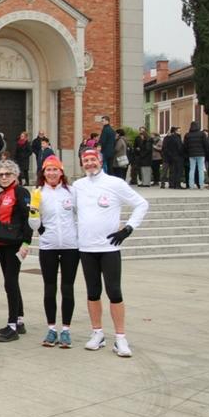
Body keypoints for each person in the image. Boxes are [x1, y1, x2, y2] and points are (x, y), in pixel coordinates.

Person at [74, 149, 149, 358]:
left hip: (109, 248)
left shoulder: (115, 183)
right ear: (82, 164)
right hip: (86, 248)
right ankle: (97, 333)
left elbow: (141, 204)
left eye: (92, 160)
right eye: (85, 161)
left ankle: (120, 338)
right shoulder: (78, 186)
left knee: (114, 292)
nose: (89, 163)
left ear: (100, 161)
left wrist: (128, 229)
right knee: (92, 292)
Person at [29, 156, 78, 348]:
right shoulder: (38, 192)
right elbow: (33, 223)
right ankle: (51, 328)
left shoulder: (71, 192)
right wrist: (34, 211)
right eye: (48, 170)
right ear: (43, 173)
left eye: (55, 170)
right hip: (48, 246)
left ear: (61, 172)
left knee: (67, 288)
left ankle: (66, 330)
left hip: (70, 247)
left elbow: (79, 215)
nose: (51, 173)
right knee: (49, 288)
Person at [0, 159, 33, 342]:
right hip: (2, 243)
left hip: (14, 243)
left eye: (8, 174)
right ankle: (20, 320)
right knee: (11, 281)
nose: (4, 177)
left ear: (15, 175)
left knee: (10, 282)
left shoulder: (20, 192)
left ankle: (12, 325)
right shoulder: (2, 194)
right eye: (0, 174)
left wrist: (26, 243)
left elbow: (29, 218)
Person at [184, 121, 209, 190]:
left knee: (192, 169)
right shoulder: (202, 134)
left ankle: (191, 185)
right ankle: (201, 185)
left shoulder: (187, 135)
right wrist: (205, 152)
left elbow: (185, 146)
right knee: (201, 169)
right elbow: (206, 144)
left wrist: (188, 152)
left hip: (191, 154)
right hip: (201, 154)